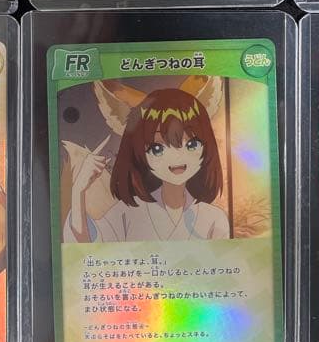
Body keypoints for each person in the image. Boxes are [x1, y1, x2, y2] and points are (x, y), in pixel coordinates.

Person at [63, 88, 229, 243]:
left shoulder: (214, 219)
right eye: (158, 148)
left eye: (191, 145)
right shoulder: (129, 212)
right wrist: (78, 191)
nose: (177, 156)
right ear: (139, 152)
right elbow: (86, 245)